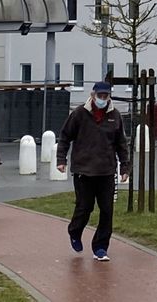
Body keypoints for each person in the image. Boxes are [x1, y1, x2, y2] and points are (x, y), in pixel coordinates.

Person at [56, 81, 129, 262]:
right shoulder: (80, 114)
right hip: (84, 170)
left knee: (107, 210)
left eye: (106, 96)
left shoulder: (115, 116)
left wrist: (125, 167)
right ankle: (75, 231)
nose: (102, 99)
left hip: (106, 171)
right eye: (100, 96)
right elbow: (65, 136)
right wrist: (61, 160)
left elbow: (121, 143)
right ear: (93, 94)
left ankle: (101, 247)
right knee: (85, 207)